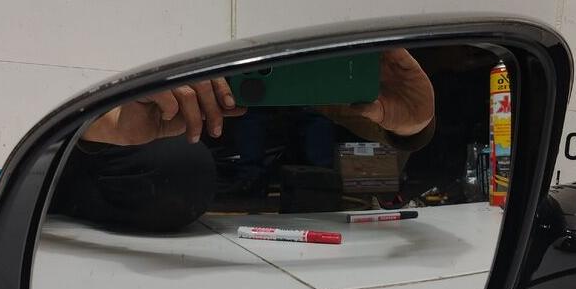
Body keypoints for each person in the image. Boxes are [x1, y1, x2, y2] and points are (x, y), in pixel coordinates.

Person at [48, 49, 436, 232]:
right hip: (75, 116)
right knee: (179, 171)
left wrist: (412, 124)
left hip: (168, 136)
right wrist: (102, 123)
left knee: (179, 170)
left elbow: (345, 105)